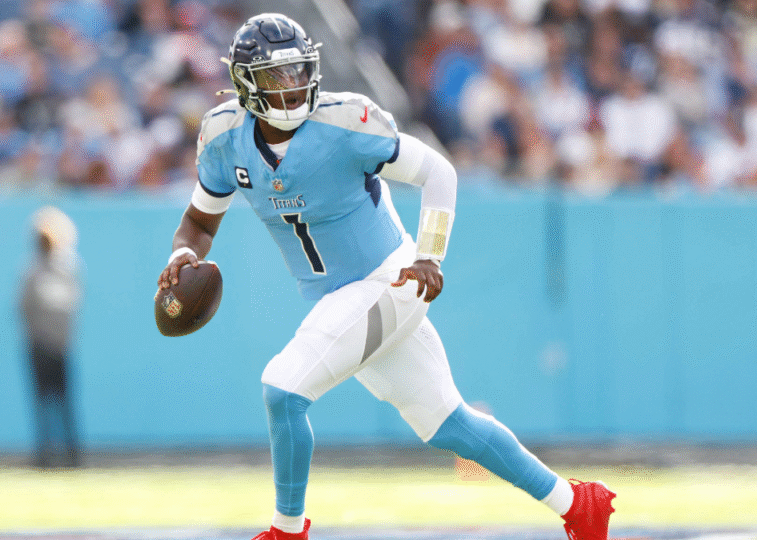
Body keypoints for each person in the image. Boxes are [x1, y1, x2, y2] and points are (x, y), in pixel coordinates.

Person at [156, 13, 617, 540]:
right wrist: (181, 257)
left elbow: (438, 171)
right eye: (277, 77)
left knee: (283, 388)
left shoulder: (344, 123)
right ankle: (579, 503)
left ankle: (287, 530)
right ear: (245, 84)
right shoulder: (223, 137)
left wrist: (430, 255)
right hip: (336, 296)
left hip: (388, 279)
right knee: (448, 422)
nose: (293, 86)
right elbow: (196, 223)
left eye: (299, 71)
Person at [20, 205, 83, 469]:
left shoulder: (66, 269)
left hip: (57, 345)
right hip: (42, 344)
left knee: (61, 401)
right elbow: (25, 308)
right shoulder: (33, 270)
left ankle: (69, 452)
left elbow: (70, 307)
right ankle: (47, 451)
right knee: (45, 402)